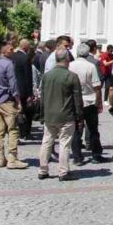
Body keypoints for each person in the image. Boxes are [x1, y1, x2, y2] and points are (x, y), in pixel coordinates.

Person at [38, 48, 82, 181]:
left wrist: (42, 114)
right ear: (67, 60)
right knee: (64, 143)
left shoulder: (47, 75)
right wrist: (79, 117)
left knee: (46, 142)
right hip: (66, 116)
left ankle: (42, 170)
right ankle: (63, 172)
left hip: (49, 115)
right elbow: (77, 100)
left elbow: (42, 97)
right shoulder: (72, 76)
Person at [0, 45, 28, 170]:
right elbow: (13, 84)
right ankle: (12, 158)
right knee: (13, 129)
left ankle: (0, 157)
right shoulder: (9, 64)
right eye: (11, 50)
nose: (13, 51)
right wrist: (18, 101)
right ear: (5, 52)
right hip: (7, 100)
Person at [70, 43, 105, 165]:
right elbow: (97, 86)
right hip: (90, 100)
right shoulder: (91, 66)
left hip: (75, 101)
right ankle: (96, 155)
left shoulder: (70, 65)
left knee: (76, 130)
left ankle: (77, 157)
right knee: (93, 129)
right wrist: (99, 102)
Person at [11, 39, 35, 140]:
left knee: (16, 111)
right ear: (26, 47)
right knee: (27, 112)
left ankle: (18, 130)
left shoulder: (12, 56)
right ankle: (26, 132)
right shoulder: (25, 58)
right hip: (24, 89)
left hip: (14, 88)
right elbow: (28, 77)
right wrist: (30, 93)